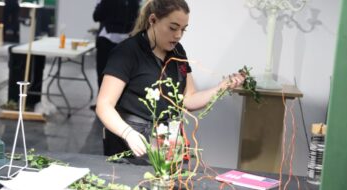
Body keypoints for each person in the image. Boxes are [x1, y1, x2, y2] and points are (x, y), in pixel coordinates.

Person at [95, 0, 245, 157]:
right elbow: (104, 105)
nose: (178, 35)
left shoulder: (177, 52)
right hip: (132, 146)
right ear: (152, 20)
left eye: (183, 30)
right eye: (173, 28)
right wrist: (128, 133)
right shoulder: (127, 53)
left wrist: (222, 86)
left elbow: (188, 100)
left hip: (168, 145)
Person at [91, 0, 141, 110]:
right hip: (126, 39)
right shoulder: (135, 2)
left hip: (107, 38)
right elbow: (137, 18)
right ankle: (119, 103)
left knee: (103, 72)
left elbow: (96, 16)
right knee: (125, 73)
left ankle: (102, 102)